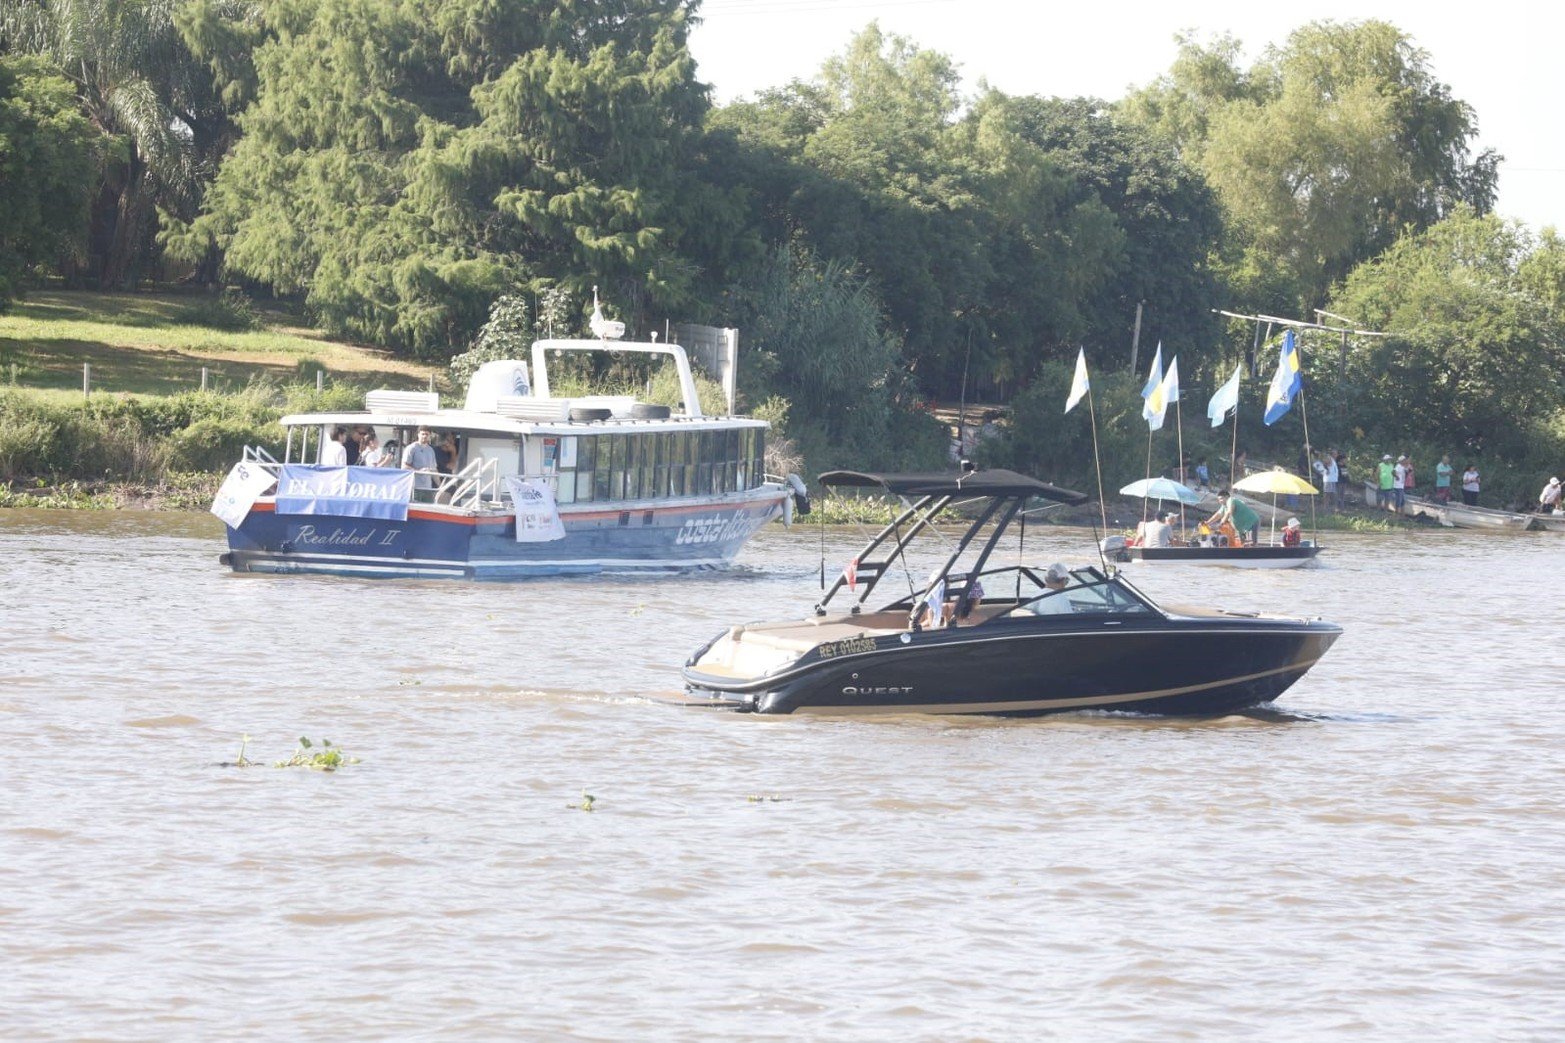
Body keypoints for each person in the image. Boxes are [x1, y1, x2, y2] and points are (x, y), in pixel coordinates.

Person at [402, 426, 439, 501]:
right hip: (414, 488)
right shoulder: (411, 448)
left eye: (427, 434)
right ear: (418, 434)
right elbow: (404, 466)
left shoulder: (431, 450)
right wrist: (419, 471)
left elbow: (434, 470)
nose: (425, 436)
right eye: (423, 434)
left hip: (428, 489)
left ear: (430, 436)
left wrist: (441, 486)